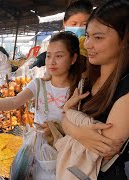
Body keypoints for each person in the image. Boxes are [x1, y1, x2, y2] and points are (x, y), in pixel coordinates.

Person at [61, 0, 129, 179]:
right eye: (88, 35)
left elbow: (104, 150)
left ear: (124, 41)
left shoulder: (126, 88)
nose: (88, 44)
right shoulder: (88, 78)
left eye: (98, 37)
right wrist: (75, 127)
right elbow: (64, 117)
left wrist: (69, 117)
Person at [0, 32, 84, 125]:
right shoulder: (39, 84)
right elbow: (14, 101)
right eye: (48, 56)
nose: (51, 62)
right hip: (38, 146)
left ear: (73, 58)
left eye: (59, 56)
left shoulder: (80, 88)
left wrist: (58, 129)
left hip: (64, 150)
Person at [31, 0, 93, 68]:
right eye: (73, 24)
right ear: (64, 23)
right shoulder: (53, 43)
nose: (78, 28)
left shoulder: (92, 46)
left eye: (84, 24)